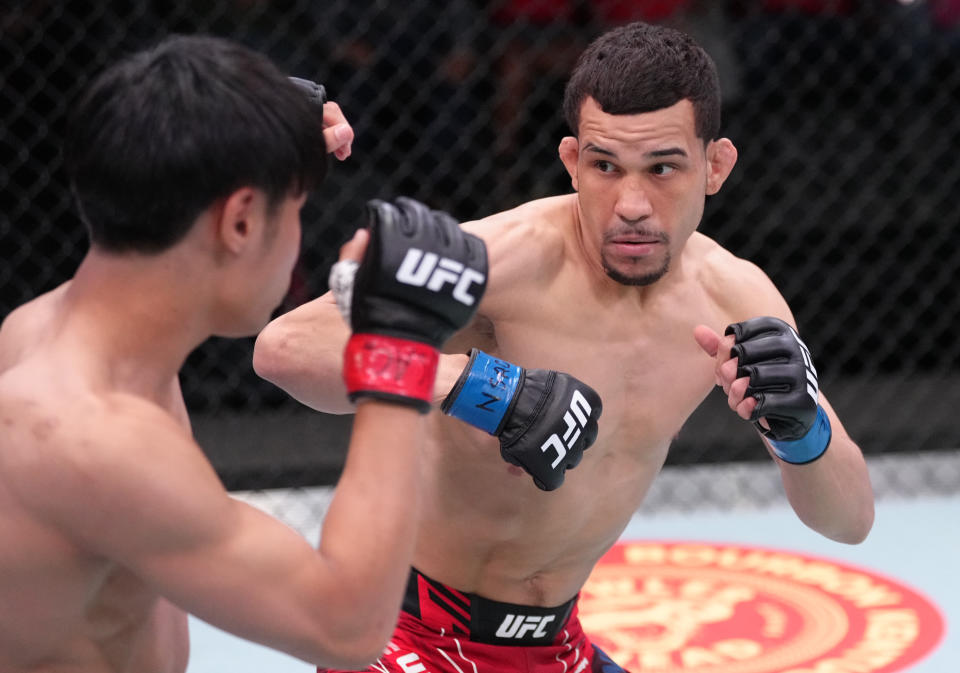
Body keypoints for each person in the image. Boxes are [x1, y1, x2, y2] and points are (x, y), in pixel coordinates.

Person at [253, 20, 875, 673]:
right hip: (402, 633)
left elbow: (849, 518)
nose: (631, 203)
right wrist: (476, 386)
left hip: (556, 645)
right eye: (606, 167)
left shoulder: (737, 299)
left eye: (663, 167)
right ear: (573, 162)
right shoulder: (505, 260)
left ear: (714, 166)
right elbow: (287, 345)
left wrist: (802, 430)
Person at [0, 34, 490, 673]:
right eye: (296, 212)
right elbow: (347, 629)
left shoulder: (45, 329)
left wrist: (251, 127)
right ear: (238, 222)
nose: (299, 242)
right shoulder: (91, 440)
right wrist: (398, 348)